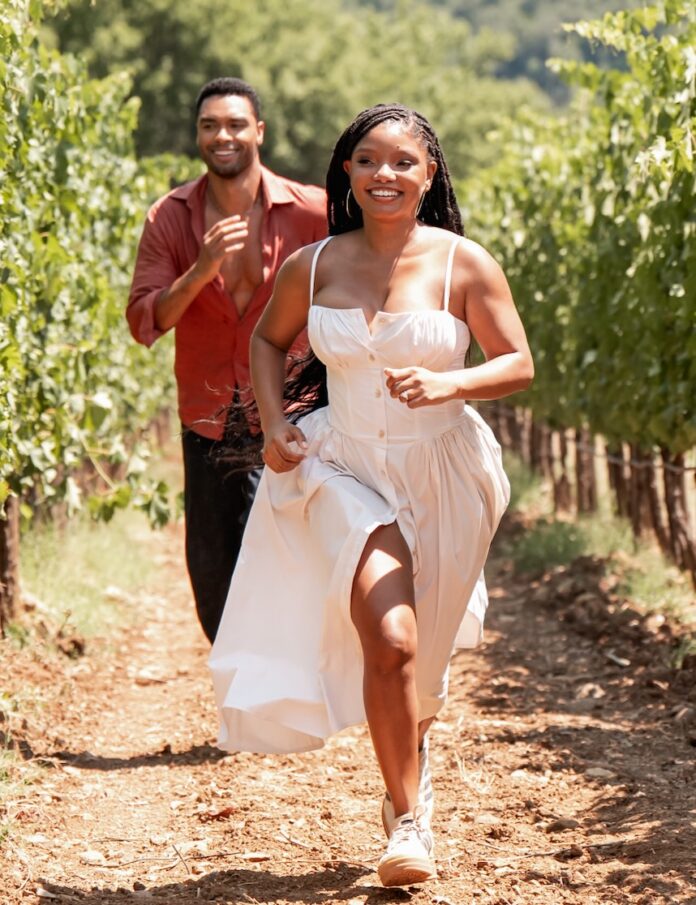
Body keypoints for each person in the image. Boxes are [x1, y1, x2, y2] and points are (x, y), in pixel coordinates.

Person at [209, 103, 533, 887]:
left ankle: (410, 755)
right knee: (389, 639)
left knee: (421, 673)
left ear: (429, 175)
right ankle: (408, 818)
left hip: (447, 471)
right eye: (367, 161)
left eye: (402, 162)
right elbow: (266, 339)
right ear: (347, 173)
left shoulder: (464, 263)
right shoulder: (313, 266)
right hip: (345, 470)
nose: (383, 175)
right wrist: (278, 421)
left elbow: (517, 362)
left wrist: (451, 379)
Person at [127, 77, 327, 643]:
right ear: (198, 135)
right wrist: (201, 269)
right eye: (210, 125)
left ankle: (285, 695)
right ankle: (240, 688)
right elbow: (146, 321)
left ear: (258, 131)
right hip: (209, 415)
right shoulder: (169, 217)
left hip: (296, 414)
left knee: (293, 554)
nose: (223, 135)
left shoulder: (312, 212)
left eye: (235, 124)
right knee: (212, 570)